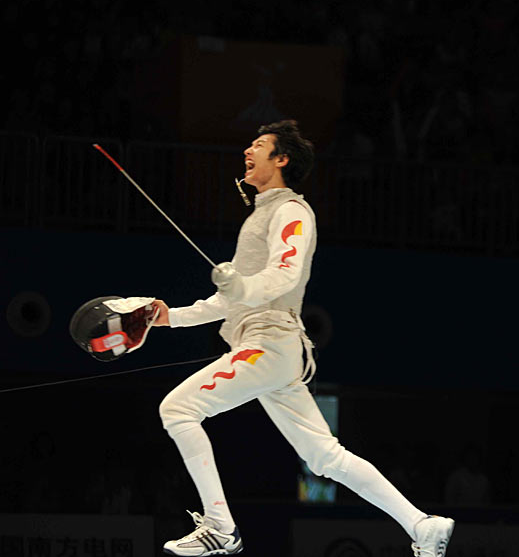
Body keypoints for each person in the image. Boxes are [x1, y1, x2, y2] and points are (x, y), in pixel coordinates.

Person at [151, 120, 454, 556]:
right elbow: (231, 300)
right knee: (324, 457)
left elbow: (285, 273)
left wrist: (241, 286)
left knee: (178, 409)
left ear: (281, 159)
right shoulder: (261, 214)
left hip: (268, 343)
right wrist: (170, 318)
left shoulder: (292, 210)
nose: (247, 151)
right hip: (269, 350)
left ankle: (220, 526)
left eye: (259, 145)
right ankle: (422, 524)